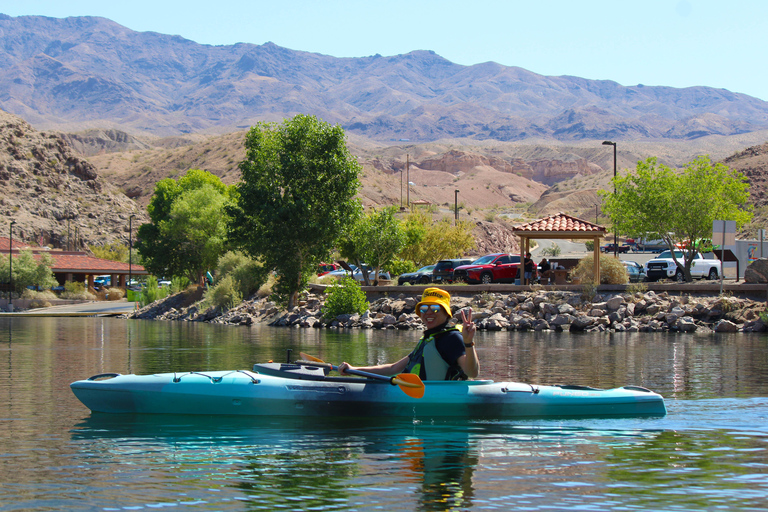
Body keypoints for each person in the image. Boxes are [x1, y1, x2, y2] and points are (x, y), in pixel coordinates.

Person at [338, 287, 478, 381]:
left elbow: (472, 373)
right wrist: (353, 369)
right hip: (418, 395)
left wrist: (468, 343)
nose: (428, 312)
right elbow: (393, 368)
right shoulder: (428, 339)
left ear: (446, 313)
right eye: (424, 308)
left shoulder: (452, 338)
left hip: (437, 396)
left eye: (435, 308)